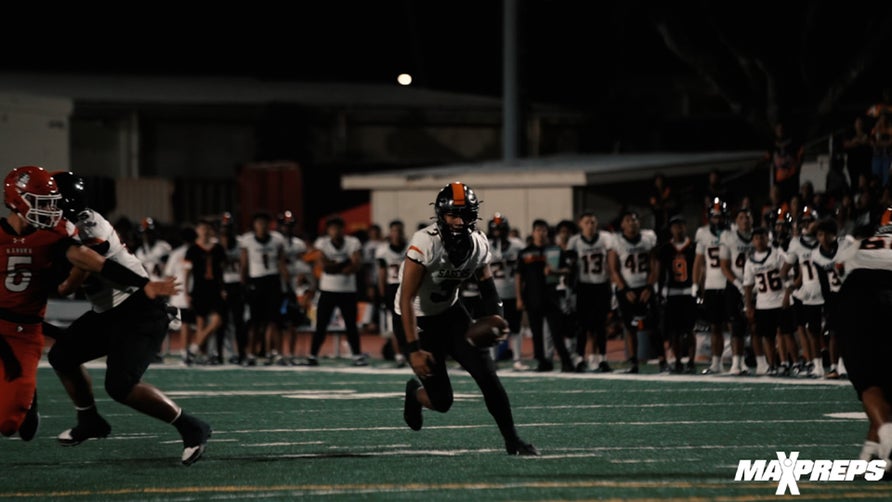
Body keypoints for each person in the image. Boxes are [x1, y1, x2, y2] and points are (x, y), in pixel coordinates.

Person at [45, 171, 209, 465]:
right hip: (108, 311)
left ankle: (192, 427)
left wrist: (60, 285)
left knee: (120, 385)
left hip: (138, 307)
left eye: (49, 201)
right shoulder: (61, 224)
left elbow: (81, 270)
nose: (45, 207)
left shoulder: (87, 224)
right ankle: (90, 421)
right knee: (62, 356)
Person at [396, 182, 538, 456]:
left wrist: (497, 317)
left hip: (450, 314)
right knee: (442, 401)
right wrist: (414, 349)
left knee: (488, 376)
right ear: (440, 214)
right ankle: (415, 395)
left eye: (466, 214)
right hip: (417, 319)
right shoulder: (426, 241)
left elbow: (487, 285)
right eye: (453, 214)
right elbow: (406, 298)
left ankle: (512, 440)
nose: (460, 221)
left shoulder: (478, 243)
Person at [835, 205, 892, 466]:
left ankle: (885, 447)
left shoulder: (858, 242)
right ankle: (872, 455)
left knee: (869, 382)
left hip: (860, 294)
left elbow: (838, 267)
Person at [305, 216, 365, 366]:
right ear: (328, 230)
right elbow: (325, 266)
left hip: (347, 290)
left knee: (351, 325)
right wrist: (344, 263)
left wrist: (336, 266)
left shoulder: (352, 242)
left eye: (338, 228)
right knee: (321, 325)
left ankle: (357, 355)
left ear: (342, 229)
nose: (335, 231)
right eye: (332, 228)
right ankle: (313, 355)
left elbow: (356, 266)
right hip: (328, 290)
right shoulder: (322, 243)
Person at [516, 219, 575, 372]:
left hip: (551, 295)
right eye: (538, 230)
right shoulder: (525, 252)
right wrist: (519, 298)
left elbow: (567, 270)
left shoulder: (555, 250)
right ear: (533, 232)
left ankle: (566, 361)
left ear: (547, 232)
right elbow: (519, 277)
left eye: (543, 230)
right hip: (533, 296)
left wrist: (554, 272)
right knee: (536, 333)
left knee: (556, 331)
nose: (541, 233)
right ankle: (542, 362)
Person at [607, 210, 661, 374]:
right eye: (628, 220)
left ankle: (663, 360)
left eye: (635, 219)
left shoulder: (648, 238)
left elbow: (654, 264)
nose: (632, 222)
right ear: (622, 224)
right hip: (627, 288)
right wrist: (624, 289)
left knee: (654, 326)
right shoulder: (616, 241)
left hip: (645, 287)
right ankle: (633, 362)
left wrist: (650, 287)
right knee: (630, 328)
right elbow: (613, 269)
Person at [565, 211, 615, 372]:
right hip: (583, 286)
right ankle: (580, 358)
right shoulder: (574, 241)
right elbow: (570, 268)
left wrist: (612, 284)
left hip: (601, 285)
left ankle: (602, 358)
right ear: (580, 224)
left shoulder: (605, 238)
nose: (590, 225)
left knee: (601, 325)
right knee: (583, 326)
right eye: (587, 222)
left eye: (593, 222)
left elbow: (612, 262)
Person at [780, 205, 825, 377]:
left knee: (833, 330)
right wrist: (792, 287)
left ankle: (838, 365)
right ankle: (814, 364)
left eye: (810, 221)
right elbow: (784, 271)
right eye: (804, 221)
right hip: (809, 293)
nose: (807, 224)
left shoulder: (826, 239)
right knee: (810, 331)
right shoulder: (796, 244)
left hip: (828, 291)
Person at [240, 212, 288, 366]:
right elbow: (244, 264)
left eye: (265, 223)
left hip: (273, 281)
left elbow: (281, 262)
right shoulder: (247, 240)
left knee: (275, 321)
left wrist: (286, 284)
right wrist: (244, 284)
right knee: (254, 322)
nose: (262, 226)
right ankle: (251, 353)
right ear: (254, 225)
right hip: (256, 281)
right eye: (259, 223)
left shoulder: (277, 239)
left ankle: (276, 353)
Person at [743, 227, 788, 378]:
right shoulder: (750, 260)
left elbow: (787, 273)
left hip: (780, 299)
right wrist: (748, 305)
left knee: (784, 333)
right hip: (763, 303)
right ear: (752, 241)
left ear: (767, 238)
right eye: (756, 238)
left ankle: (787, 363)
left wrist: (788, 295)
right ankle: (772, 365)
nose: (759, 241)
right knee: (767, 336)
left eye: (761, 237)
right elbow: (748, 285)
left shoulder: (777, 254)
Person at [655, 214, 697, 374]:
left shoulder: (693, 246)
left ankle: (691, 362)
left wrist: (698, 288)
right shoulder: (665, 249)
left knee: (690, 329)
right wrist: (659, 292)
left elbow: (699, 268)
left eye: (680, 226)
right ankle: (678, 361)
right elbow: (659, 272)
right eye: (675, 226)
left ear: (685, 227)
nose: (678, 229)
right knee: (675, 331)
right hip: (672, 292)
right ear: (670, 229)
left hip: (688, 291)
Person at [486, 213, 528, 371]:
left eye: (500, 229)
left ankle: (517, 359)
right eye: (495, 229)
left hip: (511, 292)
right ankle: (492, 358)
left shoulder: (517, 245)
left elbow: (523, 270)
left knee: (515, 327)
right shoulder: (486, 245)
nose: (498, 232)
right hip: (494, 293)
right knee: (494, 328)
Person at [693, 197, 730, 374]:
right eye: (714, 217)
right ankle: (717, 362)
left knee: (734, 325)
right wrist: (695, 283)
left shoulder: (732, 232)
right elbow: (698, 262)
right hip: (711, 284)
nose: (717, 220)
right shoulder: (702, 233)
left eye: (719, 216)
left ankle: (739, 362)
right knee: (715, 326)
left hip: (730, 284)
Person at [183, 219, 228, 364]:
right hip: (199, 289)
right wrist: (186, 292)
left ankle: (194, 348)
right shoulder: (192, 249)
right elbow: (187, 273)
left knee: (217, 321)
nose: (205, 231)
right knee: (200, 323)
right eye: (202, 228)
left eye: (208, 228)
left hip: (214, 288)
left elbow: (222, 271)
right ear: (197, 231)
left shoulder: (218, 249)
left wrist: (223, 288)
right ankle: (203, 354)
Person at [718, 207, 755, 375]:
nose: (745, 220)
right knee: (736, 325)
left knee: (755, 326)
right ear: (736, 221)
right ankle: (736, 362)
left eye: (748, 217)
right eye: (741, 217)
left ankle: (758, 361)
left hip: (756, 286)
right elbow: (724, 266)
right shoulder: (728, 237)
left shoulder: (759, 236)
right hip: (735, 286)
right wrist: (739, 284)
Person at [277, 210, 310, 365]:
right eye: (285, 225)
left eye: (290, 225)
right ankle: (276, 352)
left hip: (294, 285)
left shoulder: (299, 244)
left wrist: (304, 279)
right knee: (277, 322)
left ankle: (290, 353)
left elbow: (304, 264)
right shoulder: (275, 241)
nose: (287, 228)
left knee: (293, 323)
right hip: (278, 286)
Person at [376, 219, 408, 367]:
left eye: (399, 230)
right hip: (392, 289)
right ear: (390, 232)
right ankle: (399, 355)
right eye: (394, 230)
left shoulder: (410, 247)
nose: (397, 234)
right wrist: (382, 294)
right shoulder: (383, 250)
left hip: (408, 286)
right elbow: (382, 274)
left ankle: (411, 352)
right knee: (394, 325)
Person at [218, 212, 248, 365]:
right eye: (223, 227)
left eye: (228, 227)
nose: (226, 231)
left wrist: (243, 283)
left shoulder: (240, 243)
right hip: (221, 285)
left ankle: (242, 353)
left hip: (236, 284)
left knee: (238, 322)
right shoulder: (216, 244)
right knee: (221, 323)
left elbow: (244, 264)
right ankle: (220, 354)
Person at [767, 121, 805, 205]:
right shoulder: (773, 145)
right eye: (778, 129)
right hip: (780, 180)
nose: (780, 131)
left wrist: (797, 165)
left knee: (793, 200)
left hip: (791, 177)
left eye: (781, 129)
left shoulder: (793, 142)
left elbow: (801, 152)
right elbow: (767, 157)